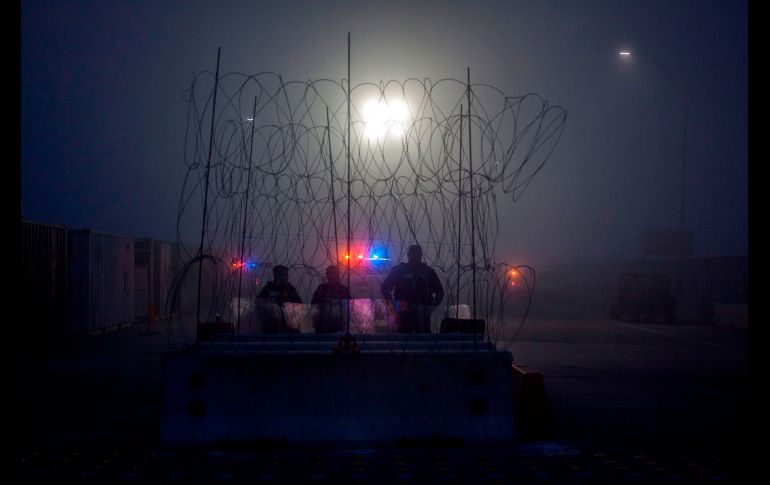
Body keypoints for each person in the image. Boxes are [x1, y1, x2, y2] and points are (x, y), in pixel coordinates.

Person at [380, 244, 444, 333]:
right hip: (404, 312)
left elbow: (440, 291)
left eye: (417, 254)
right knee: (404, 340)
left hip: (422, 312)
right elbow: (384, 288)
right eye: (413, 254)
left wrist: (431, 307)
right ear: (408, 255)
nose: (415, 256)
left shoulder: (427, 271)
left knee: (422, 340)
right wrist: (395, 305)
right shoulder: (399, 271)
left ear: (421, 255)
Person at [258, 265, 302, 332]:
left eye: (286, 274)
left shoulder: (290, 289)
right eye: (284, 274)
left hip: (288, 328)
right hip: (271, 328)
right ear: (276, 275)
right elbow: (259, 304)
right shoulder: (268, 288)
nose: (287, 277)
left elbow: (299, 303)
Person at [310, 265, 351, 333]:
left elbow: (349, 305)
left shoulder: (343, 289)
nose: (331, 275)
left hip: (339, 324)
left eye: (333, 273)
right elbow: (314, 305)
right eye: (329, 273)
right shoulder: (321, 288)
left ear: (337, 275)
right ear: (327, 275)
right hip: (323, 324)